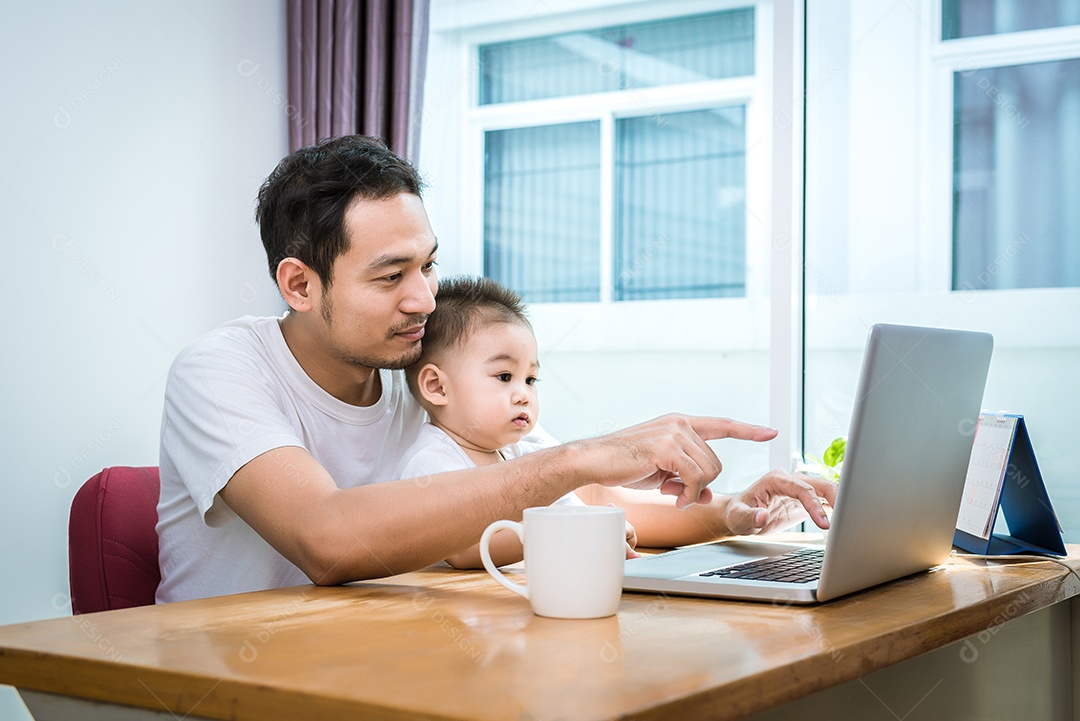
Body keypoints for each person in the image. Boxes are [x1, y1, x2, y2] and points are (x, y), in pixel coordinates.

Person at [156, 134, 836, 604]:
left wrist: (732, 515)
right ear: (300, 286)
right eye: (391, 275)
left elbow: (584, 501)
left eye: (427, 265)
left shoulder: (419, 371)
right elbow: (324, 537)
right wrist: (582, 456)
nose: (423, 298)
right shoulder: (220, 371)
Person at [394, 274, 639, 568]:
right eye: (505, 377)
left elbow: (570, 514)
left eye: (531, 379)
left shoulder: (528, 454)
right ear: (437, 386)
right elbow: (465, 551)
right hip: (457, 608)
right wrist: (573, 533)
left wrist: (601, 529)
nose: (524, 395)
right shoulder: (431, 462)